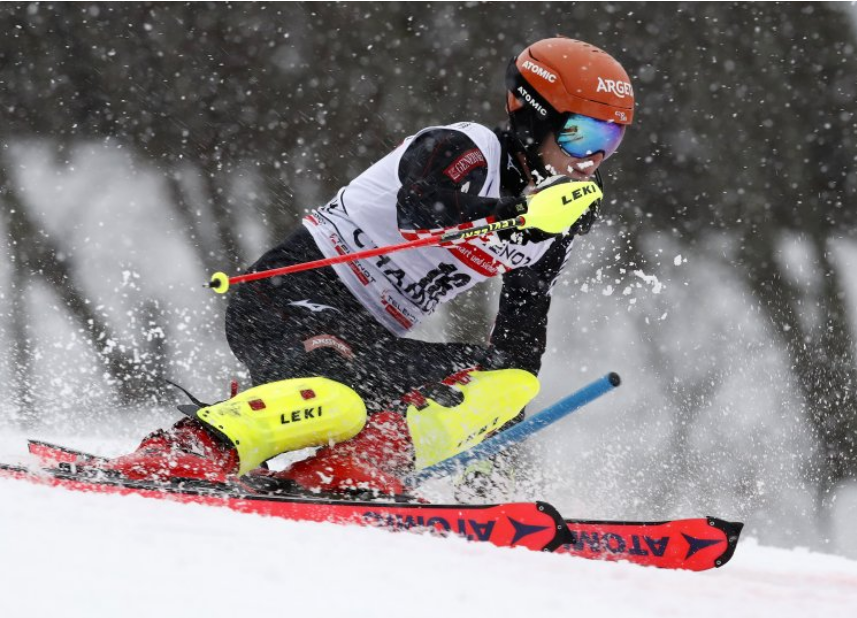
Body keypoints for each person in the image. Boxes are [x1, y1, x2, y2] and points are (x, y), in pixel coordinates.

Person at [104, 37, 635, 496]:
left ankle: (359, 461)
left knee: (508, 381)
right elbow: (421, 209)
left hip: (365, 338)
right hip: (287, 300)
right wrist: (516, 214)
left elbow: (520, 342)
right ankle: (197, 444)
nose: (592, 160)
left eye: (610, 141)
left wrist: (487, 451)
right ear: (532, 116)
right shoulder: (465, 147)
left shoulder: (553, 223)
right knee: (339, 397)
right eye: (582, 136)